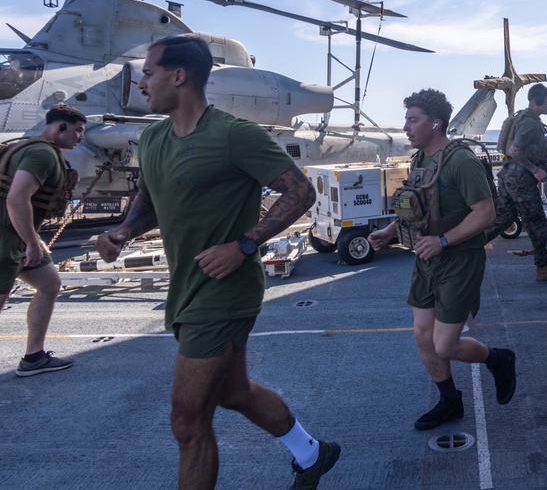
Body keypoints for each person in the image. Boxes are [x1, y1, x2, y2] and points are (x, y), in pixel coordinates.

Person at [95, 35, 338, 490]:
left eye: (149, 73)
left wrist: (245, 245)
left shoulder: (234, 134)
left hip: (225, 293)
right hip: (185, 288)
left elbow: (300, 192)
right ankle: (312, 453)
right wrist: (124, 230)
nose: (141, 82)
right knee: (232, 392)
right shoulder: (152, 139)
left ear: (179, 76)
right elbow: (149, 197)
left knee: (188, 421)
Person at [368, 89, 516, 432]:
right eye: (406, 119)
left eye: (413, 119)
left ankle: (498, 359)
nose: (406, 127)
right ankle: (449, 399)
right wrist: (389, 231)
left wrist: (444, 241)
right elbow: (419, 208)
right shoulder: (421, 159)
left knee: (445, 344)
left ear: (436, 122)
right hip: (427, 255)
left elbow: (486, 213)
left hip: (459, 260)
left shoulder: (461, 161)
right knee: (423, 335)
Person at [0, 103, 85, 377]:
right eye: (78, 130)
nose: (81, 137)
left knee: (50, 284)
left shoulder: (35, 148)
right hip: (6, 239)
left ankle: (34, 358)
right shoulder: (42, 154)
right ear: (61, 127)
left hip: (18, 236)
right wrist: (31, 242)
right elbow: (16, 199)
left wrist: (32, 239)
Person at [483, 82, 547, 281]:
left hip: (509, 175)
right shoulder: (530, 123)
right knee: (537, 222)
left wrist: (541, 166)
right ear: (538, 100)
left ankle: (468, 247)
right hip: (520, 180)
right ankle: (543, 267)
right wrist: (535, 171)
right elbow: (515, 151)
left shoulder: (522, 118)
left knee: (504, 219)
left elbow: (518, 152)